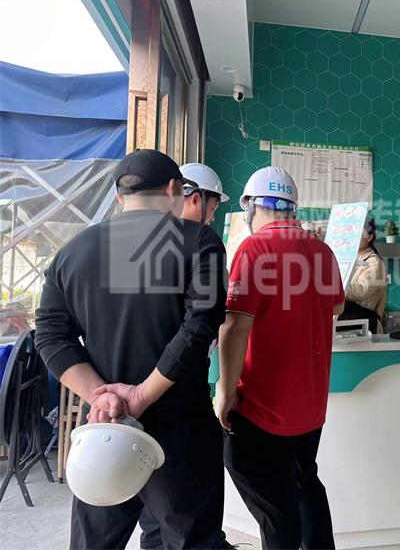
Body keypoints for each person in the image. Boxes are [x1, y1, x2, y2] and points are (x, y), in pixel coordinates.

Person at [35, 149, 229, 549]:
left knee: (95, 542)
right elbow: (200, 327)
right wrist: (140, 395)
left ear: (119, 195)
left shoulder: (73, 252)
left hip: (103, 428)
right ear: (174, 189)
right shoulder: (199, 242)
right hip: (180, 430)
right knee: (191, 540)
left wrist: (100, 396)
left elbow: (50, 335)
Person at [216, 166, 344, 549]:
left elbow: (235, 327)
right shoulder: (322, 251)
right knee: (305, 480)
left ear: (252, 206)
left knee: (274, 504)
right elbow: (336, 308)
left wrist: (225, 392)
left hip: (262, 406)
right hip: (310, 406)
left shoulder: (254, 249)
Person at [137, 161, 232, 550]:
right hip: (176, 401)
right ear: (194, 198)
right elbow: (200, 327)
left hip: (134, 399)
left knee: (155, 516)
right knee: (188, 518)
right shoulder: (202, 244)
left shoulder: (141, 243)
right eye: (213, 206)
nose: (213, 215)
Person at [339, 218, 387, 333]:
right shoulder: (349, 260)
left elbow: (362, 290)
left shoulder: (374, 262)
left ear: (369, 237)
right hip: (348, 324)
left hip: (366, 325)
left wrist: (336, 288)